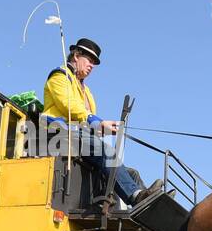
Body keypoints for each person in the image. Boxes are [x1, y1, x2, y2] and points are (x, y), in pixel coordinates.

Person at [42, 38, 162, 206]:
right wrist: (96, 122)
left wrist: (102, 129)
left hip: (78, 136)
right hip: (58, 132)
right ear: (76, 55)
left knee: (131, 173)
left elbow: (87, 121)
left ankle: (150, 202)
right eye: (89, 60)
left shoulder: (87, 91)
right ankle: (136, 196)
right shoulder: (59, 76)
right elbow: (69, 105)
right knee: (105, 150)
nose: (91, 66)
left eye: (94, 63)